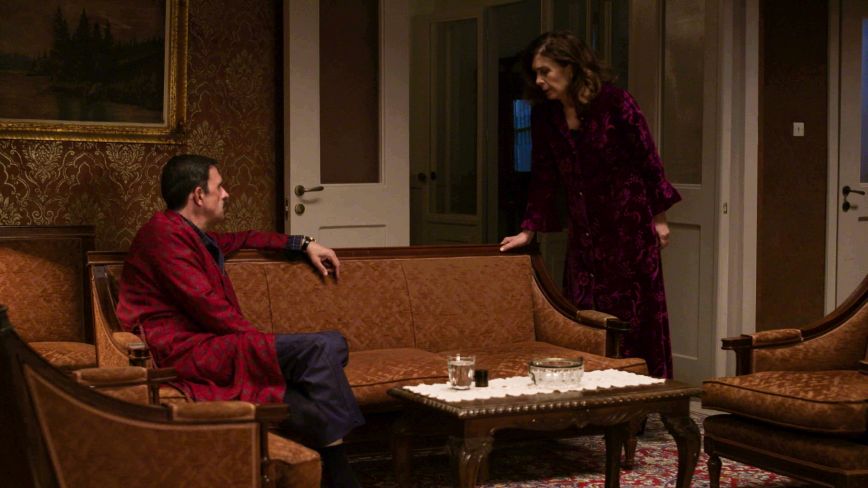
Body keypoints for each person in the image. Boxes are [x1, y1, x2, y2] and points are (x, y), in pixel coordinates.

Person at [116, 154, 364, 487]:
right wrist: (261, 346)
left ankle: (336, 470)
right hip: (184, 351)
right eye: (219, 186)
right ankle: (344, 477)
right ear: (199, 195)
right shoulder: (162, 236)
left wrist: (303, 243)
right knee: (323, 348)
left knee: (328, 355)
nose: (226, 194)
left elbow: (245, 239)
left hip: (213, 342)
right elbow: (208, 306)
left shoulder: (190, 234)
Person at [499, 32, 681, 379]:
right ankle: (592, 395)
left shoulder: (616, 103)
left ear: (570, 68)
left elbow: (648, 161)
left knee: (636, 318)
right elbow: (543, 176)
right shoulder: (545, 116)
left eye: (545, 71)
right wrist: (528, 229)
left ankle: (645, 394)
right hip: (584, 237)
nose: (539, 81)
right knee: (585, 317)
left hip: (628, 230)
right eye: (535, 73)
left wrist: (658, 217)